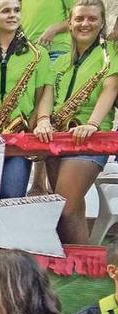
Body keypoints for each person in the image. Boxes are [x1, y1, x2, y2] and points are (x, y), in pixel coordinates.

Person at [42, 0, 118, 244]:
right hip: (58, 138)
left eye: (92, 19)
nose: (85, 23)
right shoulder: (61, 60)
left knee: (64, 208)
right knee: (69, 213)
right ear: (70, 23)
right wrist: (44, 120)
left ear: (102, 22)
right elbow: (48, 94)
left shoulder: (111, 53)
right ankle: (78, 274)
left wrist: (93, 124)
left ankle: (79, 273)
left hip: (90, 140)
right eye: (80, 18)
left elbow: (111, 87)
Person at [0, 0, 53, 199]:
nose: (13, 15)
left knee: (10, 196)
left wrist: (38, 123)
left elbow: (43, 97)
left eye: (16, 10)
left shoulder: (37, 54)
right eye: (5, 11)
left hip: (18, 141)